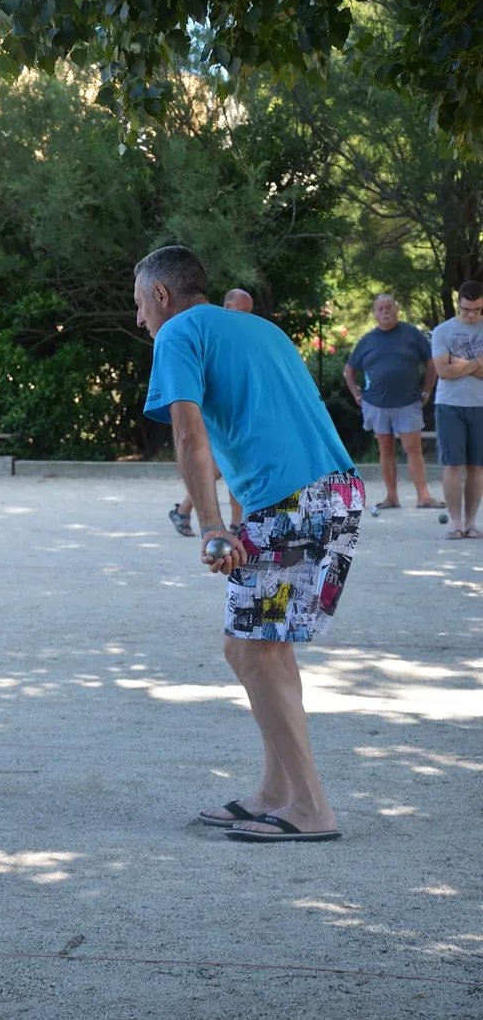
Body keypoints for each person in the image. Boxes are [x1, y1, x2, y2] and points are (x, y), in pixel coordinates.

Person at [136, 246, 364, 844]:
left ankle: (312, 809)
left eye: (139, 304)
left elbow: (190, 435)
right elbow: (252, 432)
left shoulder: (179, 332)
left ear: (161, 295)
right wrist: (237, 523)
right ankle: (275, 792)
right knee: (266, 645)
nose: (139, 320)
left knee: (249, 649)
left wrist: (211, 528)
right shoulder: (258, 328)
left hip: (296, 500)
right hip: (329, 492)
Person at [343, 294, 444, 510]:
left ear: (396, 310)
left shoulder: (412, 334)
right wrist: (357, 396)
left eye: (389, 307)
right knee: (385, 449)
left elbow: (431, 364)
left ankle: (423, 496)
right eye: (380, 308)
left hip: (408, 402)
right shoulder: (368, 340)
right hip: (376, 404)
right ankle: (391, 497)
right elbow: (349, 371)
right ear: (374, 313)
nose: (385, 311)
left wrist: (426, 392)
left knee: (413, 449)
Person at [169, 287, 254, 537]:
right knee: (227, 464)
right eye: (244, 310)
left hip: (234, 409)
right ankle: (223, 520)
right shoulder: (213, 331)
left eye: (250, 311)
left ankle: (227, 521)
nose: (248, 316)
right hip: (213, 409)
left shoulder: (241, 333)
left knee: (232, 464)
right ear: (227, 307)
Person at [431, 280, 483, 540]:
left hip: (480, 406)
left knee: (477, 466)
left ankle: (472, 523)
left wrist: (459, 362)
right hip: (449, 404)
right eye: (466, 310)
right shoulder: (442, 331)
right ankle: (456, 523)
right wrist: (477, 362)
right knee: (453, 464)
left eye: (477, 310)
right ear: (458, 304)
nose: (471, 315)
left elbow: (452, 368)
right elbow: (443, 372)